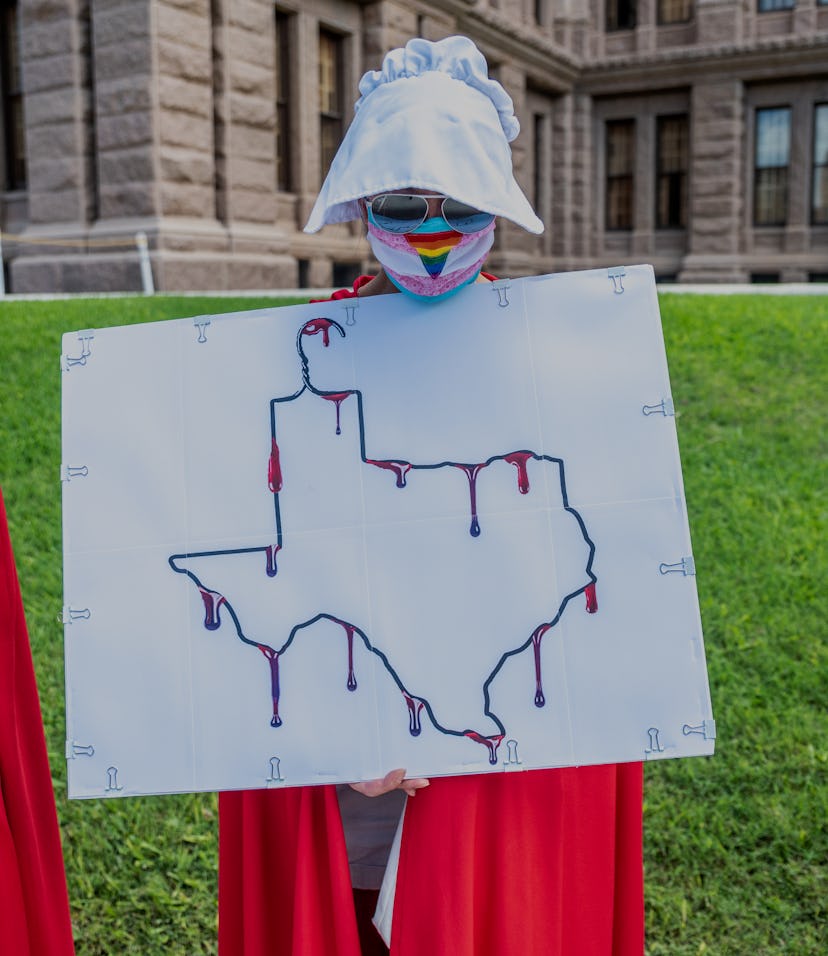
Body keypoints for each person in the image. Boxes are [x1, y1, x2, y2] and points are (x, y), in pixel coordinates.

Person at [218, 36, 644, 956]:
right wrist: (338, 730)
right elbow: (261, 579)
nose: (434, 229)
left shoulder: (566, 373)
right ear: (364, 208)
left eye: (459, 203)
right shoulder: (285, 373)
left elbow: (590, 603)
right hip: (341, 814)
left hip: (497, 802)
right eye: (404, 203)